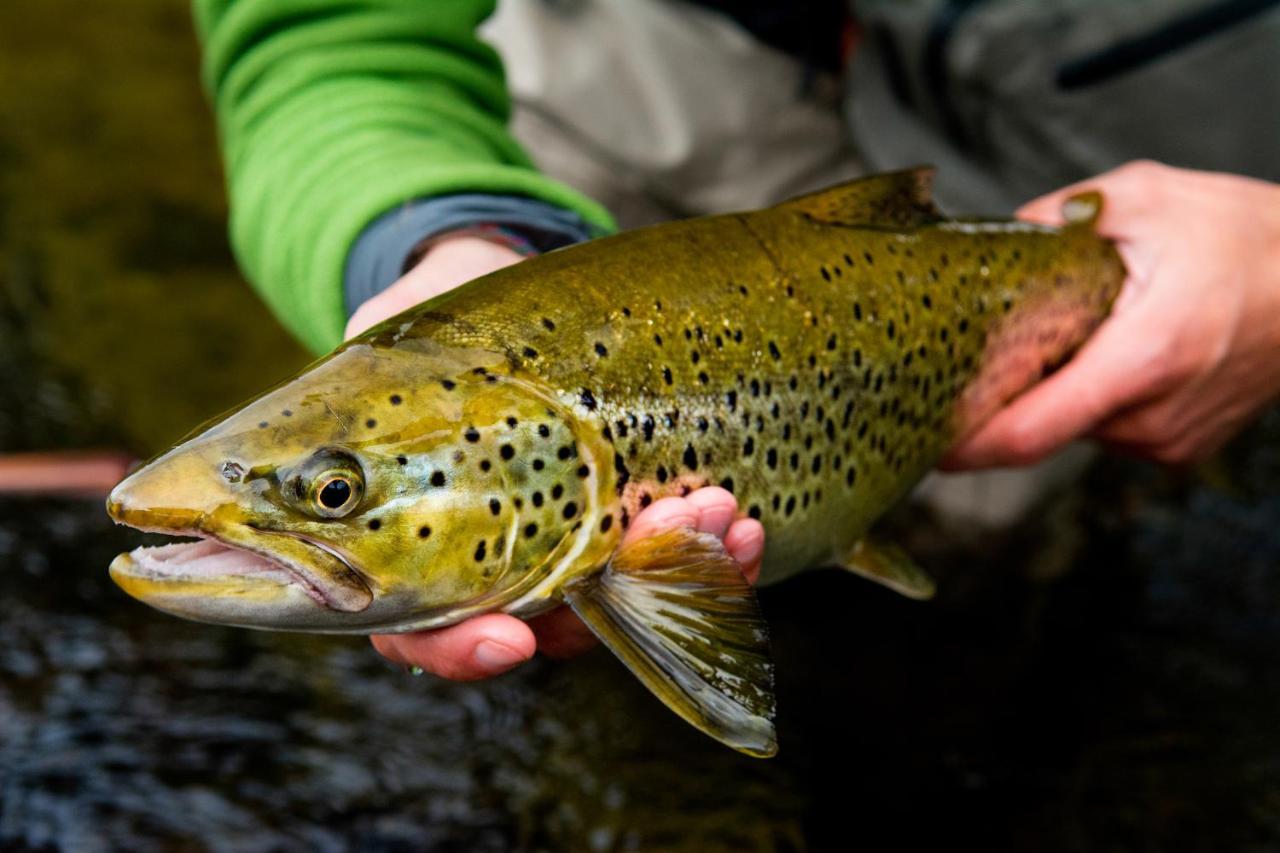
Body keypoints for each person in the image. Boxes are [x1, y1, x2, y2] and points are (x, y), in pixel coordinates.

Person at [193, 0, 1280, 681]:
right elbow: (324, 38)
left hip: (1194, 107)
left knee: (1008, 577)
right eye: (334, 497)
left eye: (333, 495)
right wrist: (443, 239)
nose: (326, 506)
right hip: (714, 47)